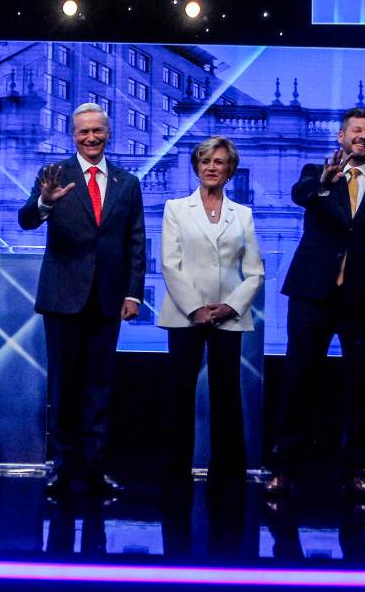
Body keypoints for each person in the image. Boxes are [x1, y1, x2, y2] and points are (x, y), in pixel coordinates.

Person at [268, 107, 365, 498]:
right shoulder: (317, 172)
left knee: (360, 387)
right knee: (298, 381)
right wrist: (323, 183)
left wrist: (363, 258)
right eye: (356, 130)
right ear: (341, 137)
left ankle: (355, 471)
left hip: (363, 299)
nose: (363, 136)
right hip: (312, 295)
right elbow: (300, 196)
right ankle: (283, 468)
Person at [18, 102, 146, 496]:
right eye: (83, 132)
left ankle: (95, 468)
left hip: (107, 299)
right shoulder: (53, 175)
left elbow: (136, 241)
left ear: (109, 133)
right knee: (63, 385)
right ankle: (62, 466)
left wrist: (133, 293)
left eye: (97, 131)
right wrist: (45, 201)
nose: (91, 138)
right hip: (62, 298)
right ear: (73, 135)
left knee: (99, 387)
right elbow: (26, 220)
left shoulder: (127, 182)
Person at [157, 136, 264, 486]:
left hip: (227, 315)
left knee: (227, 394)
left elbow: (255, 271)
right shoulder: (176, 208)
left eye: (219, 162)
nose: (212, 167)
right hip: (184, 313)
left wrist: (230, 306)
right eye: (205, 161)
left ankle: (227, 474)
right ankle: (175, 473)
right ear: (196, 167)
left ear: (230, 169)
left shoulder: (243, 214)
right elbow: (169, 263)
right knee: (180, 393)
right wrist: (196, 309)